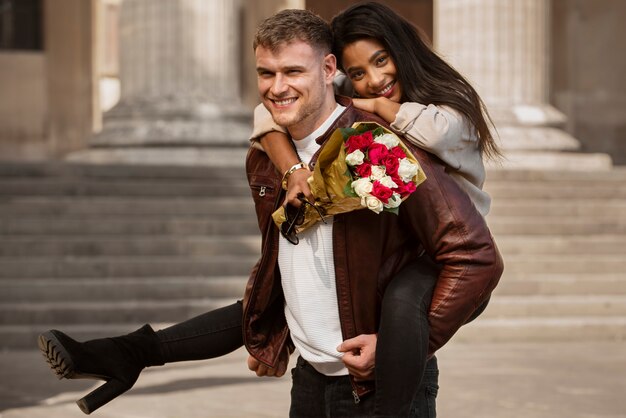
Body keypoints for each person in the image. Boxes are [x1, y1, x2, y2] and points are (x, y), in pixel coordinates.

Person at [38, 7, 503, 417]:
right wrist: (277, 333)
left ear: (327, 69)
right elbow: (296, 264)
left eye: (293, 72)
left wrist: (402, 347)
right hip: (311, 383)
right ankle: (125, 353)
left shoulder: (373, 145)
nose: (277, 87)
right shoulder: (265, 157)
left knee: (406, 296)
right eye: (266, 73)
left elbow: (474, 255)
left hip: (377, 390)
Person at [250, 2, 501, 415]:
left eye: (382, 61)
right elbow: (268, 110)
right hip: (400, 250)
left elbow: (472, 252)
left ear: (401, 51)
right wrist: (292, 166)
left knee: (403, 305)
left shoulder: (448, 109)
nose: (375, 80)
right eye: (359, 73)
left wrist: (377, 108)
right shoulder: (349, 101)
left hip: (440, 255)